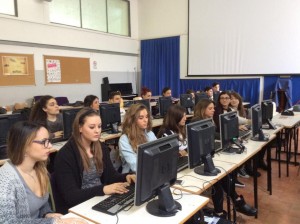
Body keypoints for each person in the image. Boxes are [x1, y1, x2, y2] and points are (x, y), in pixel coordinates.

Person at [0, 121, 87, 224]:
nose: (50, 146)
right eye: (44, 142)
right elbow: (7, 222)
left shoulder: (40, 169)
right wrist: (53, 222)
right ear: (24, 145)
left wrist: (47, 214)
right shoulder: (5, 180)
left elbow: (41, 206)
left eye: (49, 141)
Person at [53, 107, 136, 214]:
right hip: (79, 206)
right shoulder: (65, 155)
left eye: (99, 126)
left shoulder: (100, 147)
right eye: (92, 127)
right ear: (80, 128)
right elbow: (71, 196)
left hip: (99, 198)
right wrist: (103, 189)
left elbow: (111, 176)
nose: (97, 131)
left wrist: (126, 176)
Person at [192, 99, 257, 217]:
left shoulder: (208, 120)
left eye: (213, 108)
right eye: (210, 108)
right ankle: (230, 205)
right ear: (202, 109)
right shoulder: (196, 122)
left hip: (208, 154)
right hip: (199, 160)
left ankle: (229, 205)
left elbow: (213, 135)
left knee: (224, 176)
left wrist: (230, 135)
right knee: (218, 180)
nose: (213, 110)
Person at [119, 104, 157, 173]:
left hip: (151, 171)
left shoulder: (150, 134)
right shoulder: (124, 139)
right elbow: (135, 166)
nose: (145, 120)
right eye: (141, 118)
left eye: (146, 117)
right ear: (132, 120)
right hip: (132, 176)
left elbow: (157, 154)